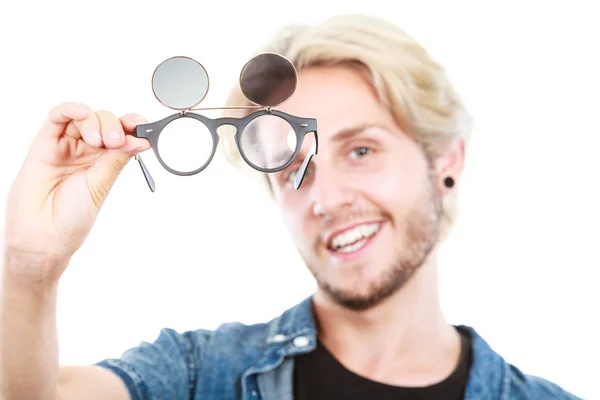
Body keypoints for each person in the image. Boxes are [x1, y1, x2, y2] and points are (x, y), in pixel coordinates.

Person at [0, 14, 581, 400]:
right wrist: (30, 268)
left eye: (360, 149)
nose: (326, 199)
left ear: (444, 161)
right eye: (292, 169)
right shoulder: (203, 375)